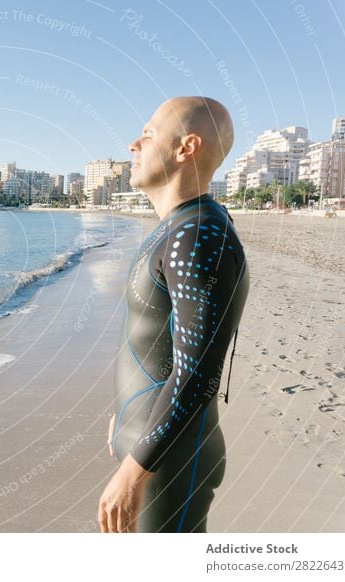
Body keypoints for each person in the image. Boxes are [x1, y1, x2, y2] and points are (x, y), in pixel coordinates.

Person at [98, 96, 249, 533]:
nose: (133, 145)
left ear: (186, 148)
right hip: (153, 447)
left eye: (147, 134)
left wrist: (135, 470)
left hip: (168, 463)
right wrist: (127, 416)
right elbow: (156, 342)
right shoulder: (182, 227)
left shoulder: (198, 235)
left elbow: (197, 375)